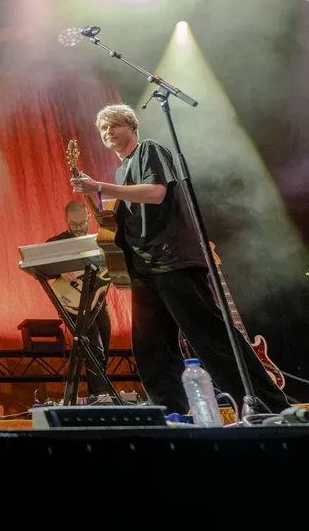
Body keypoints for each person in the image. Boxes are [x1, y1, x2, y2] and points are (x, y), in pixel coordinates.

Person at [72, 104, 286, 414]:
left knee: (209, 337)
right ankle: (170, 412)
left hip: (171, 259)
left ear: (133, 128)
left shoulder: (149, 150)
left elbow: (157, 193)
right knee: (151, 346)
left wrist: (100, 187)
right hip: (144, 267)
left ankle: (269, 407)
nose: (108, 132)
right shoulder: (122, 171)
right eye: (103, 128)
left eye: (115, 125)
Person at [45, 201, 114, 399]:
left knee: (104, 345)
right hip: (73, 301)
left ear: (89, 219)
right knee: (93, 346)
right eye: (73, 224)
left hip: (97, 300)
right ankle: (101, 394)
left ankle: (98, 393)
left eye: (82, 223)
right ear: (66, 220)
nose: (78, 227)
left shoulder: (97, 242)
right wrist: (60, 270)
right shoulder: (57, 242)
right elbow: (41, 267)